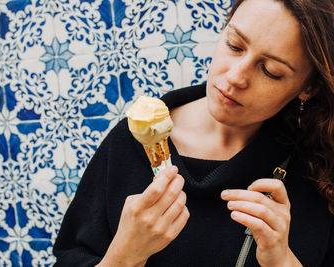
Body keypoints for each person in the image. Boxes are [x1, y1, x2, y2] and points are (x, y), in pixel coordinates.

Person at [53, 0, 334, 266]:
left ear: (307, 88)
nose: (236, 76)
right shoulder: (131, 141)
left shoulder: (317, 171)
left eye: (270, 71)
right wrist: (124, 256)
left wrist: (282, 260)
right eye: (234, 45)